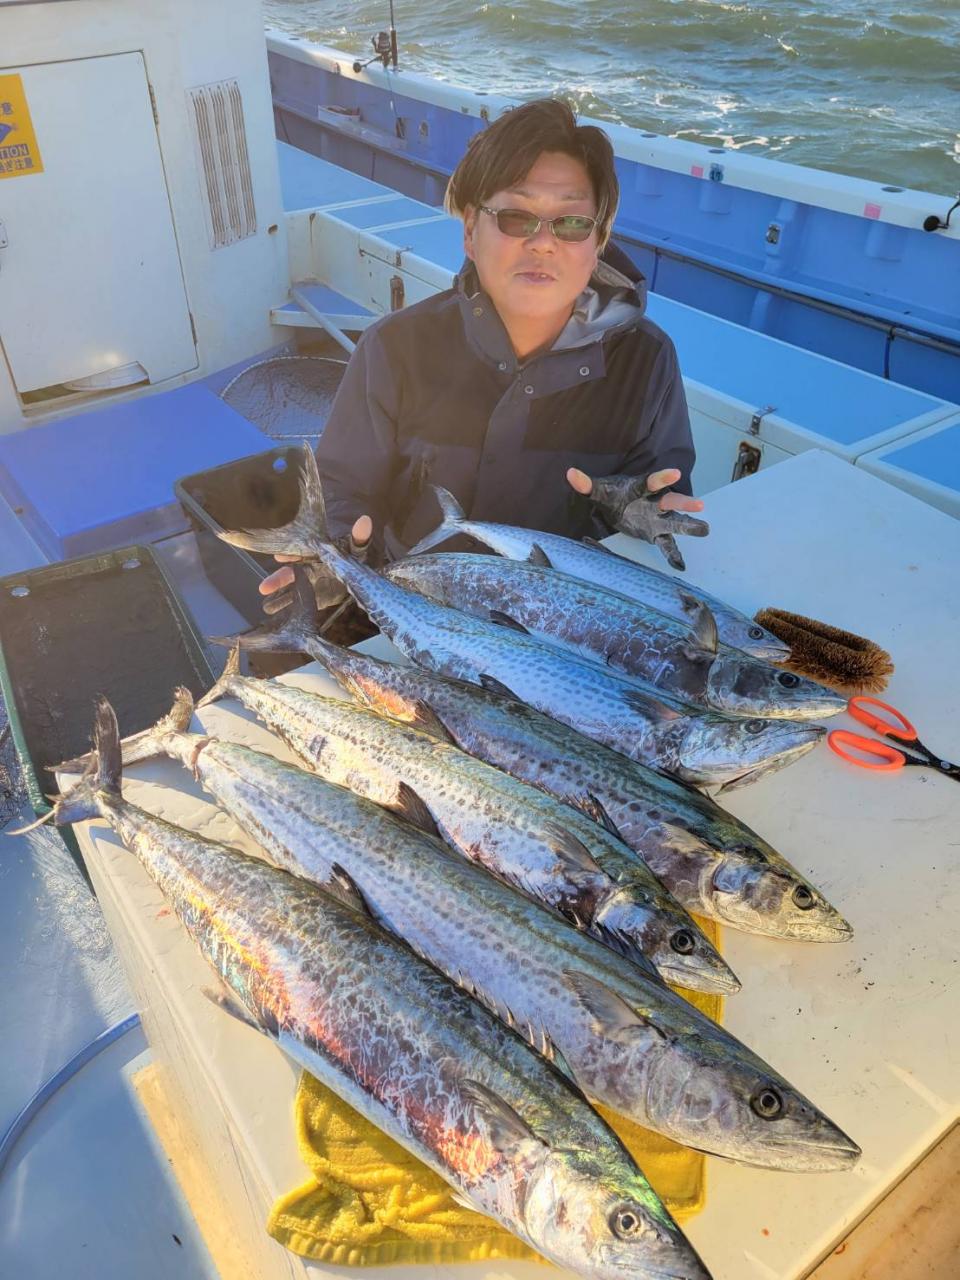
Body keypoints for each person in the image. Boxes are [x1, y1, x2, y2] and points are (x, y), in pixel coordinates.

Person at [262, 98, 703, 600]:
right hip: (417, 606)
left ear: (598, 240)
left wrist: (636, 513)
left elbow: (662, 494)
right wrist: (338, 555)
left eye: (571, 223)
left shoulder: (647, 361)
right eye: (516, 217)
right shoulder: (395, 349)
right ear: (471, 231)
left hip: (568, 617)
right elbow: (343, 489)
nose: (543, 243)